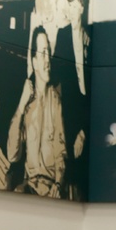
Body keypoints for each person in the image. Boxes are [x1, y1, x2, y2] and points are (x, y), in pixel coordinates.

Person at [6, 26, 68, 198]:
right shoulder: (27, 104)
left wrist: (58, 182)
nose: (47, 60)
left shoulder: (55, 100)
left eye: (48, 53)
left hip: (51, 187)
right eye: (42, 54)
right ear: (34, 61)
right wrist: (21, 105)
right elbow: (12, 154)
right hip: (29, 187)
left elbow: (60, 147)